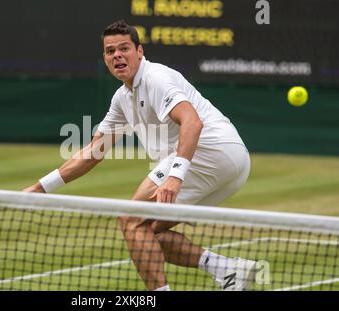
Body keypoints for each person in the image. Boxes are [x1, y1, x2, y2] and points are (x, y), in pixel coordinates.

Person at [24, 20, 257, 291]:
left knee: (131, 219)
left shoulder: (155, 79)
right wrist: (42, 187)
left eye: (124, 48)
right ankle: (228, 269)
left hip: (211, 150)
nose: (117, 55)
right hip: (232, 164)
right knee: (146, 232)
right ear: (105, 59)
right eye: (111, 51)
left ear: (139, 52)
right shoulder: (122, 98)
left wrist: (175, 177)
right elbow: (94, 151)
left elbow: (192, 122)